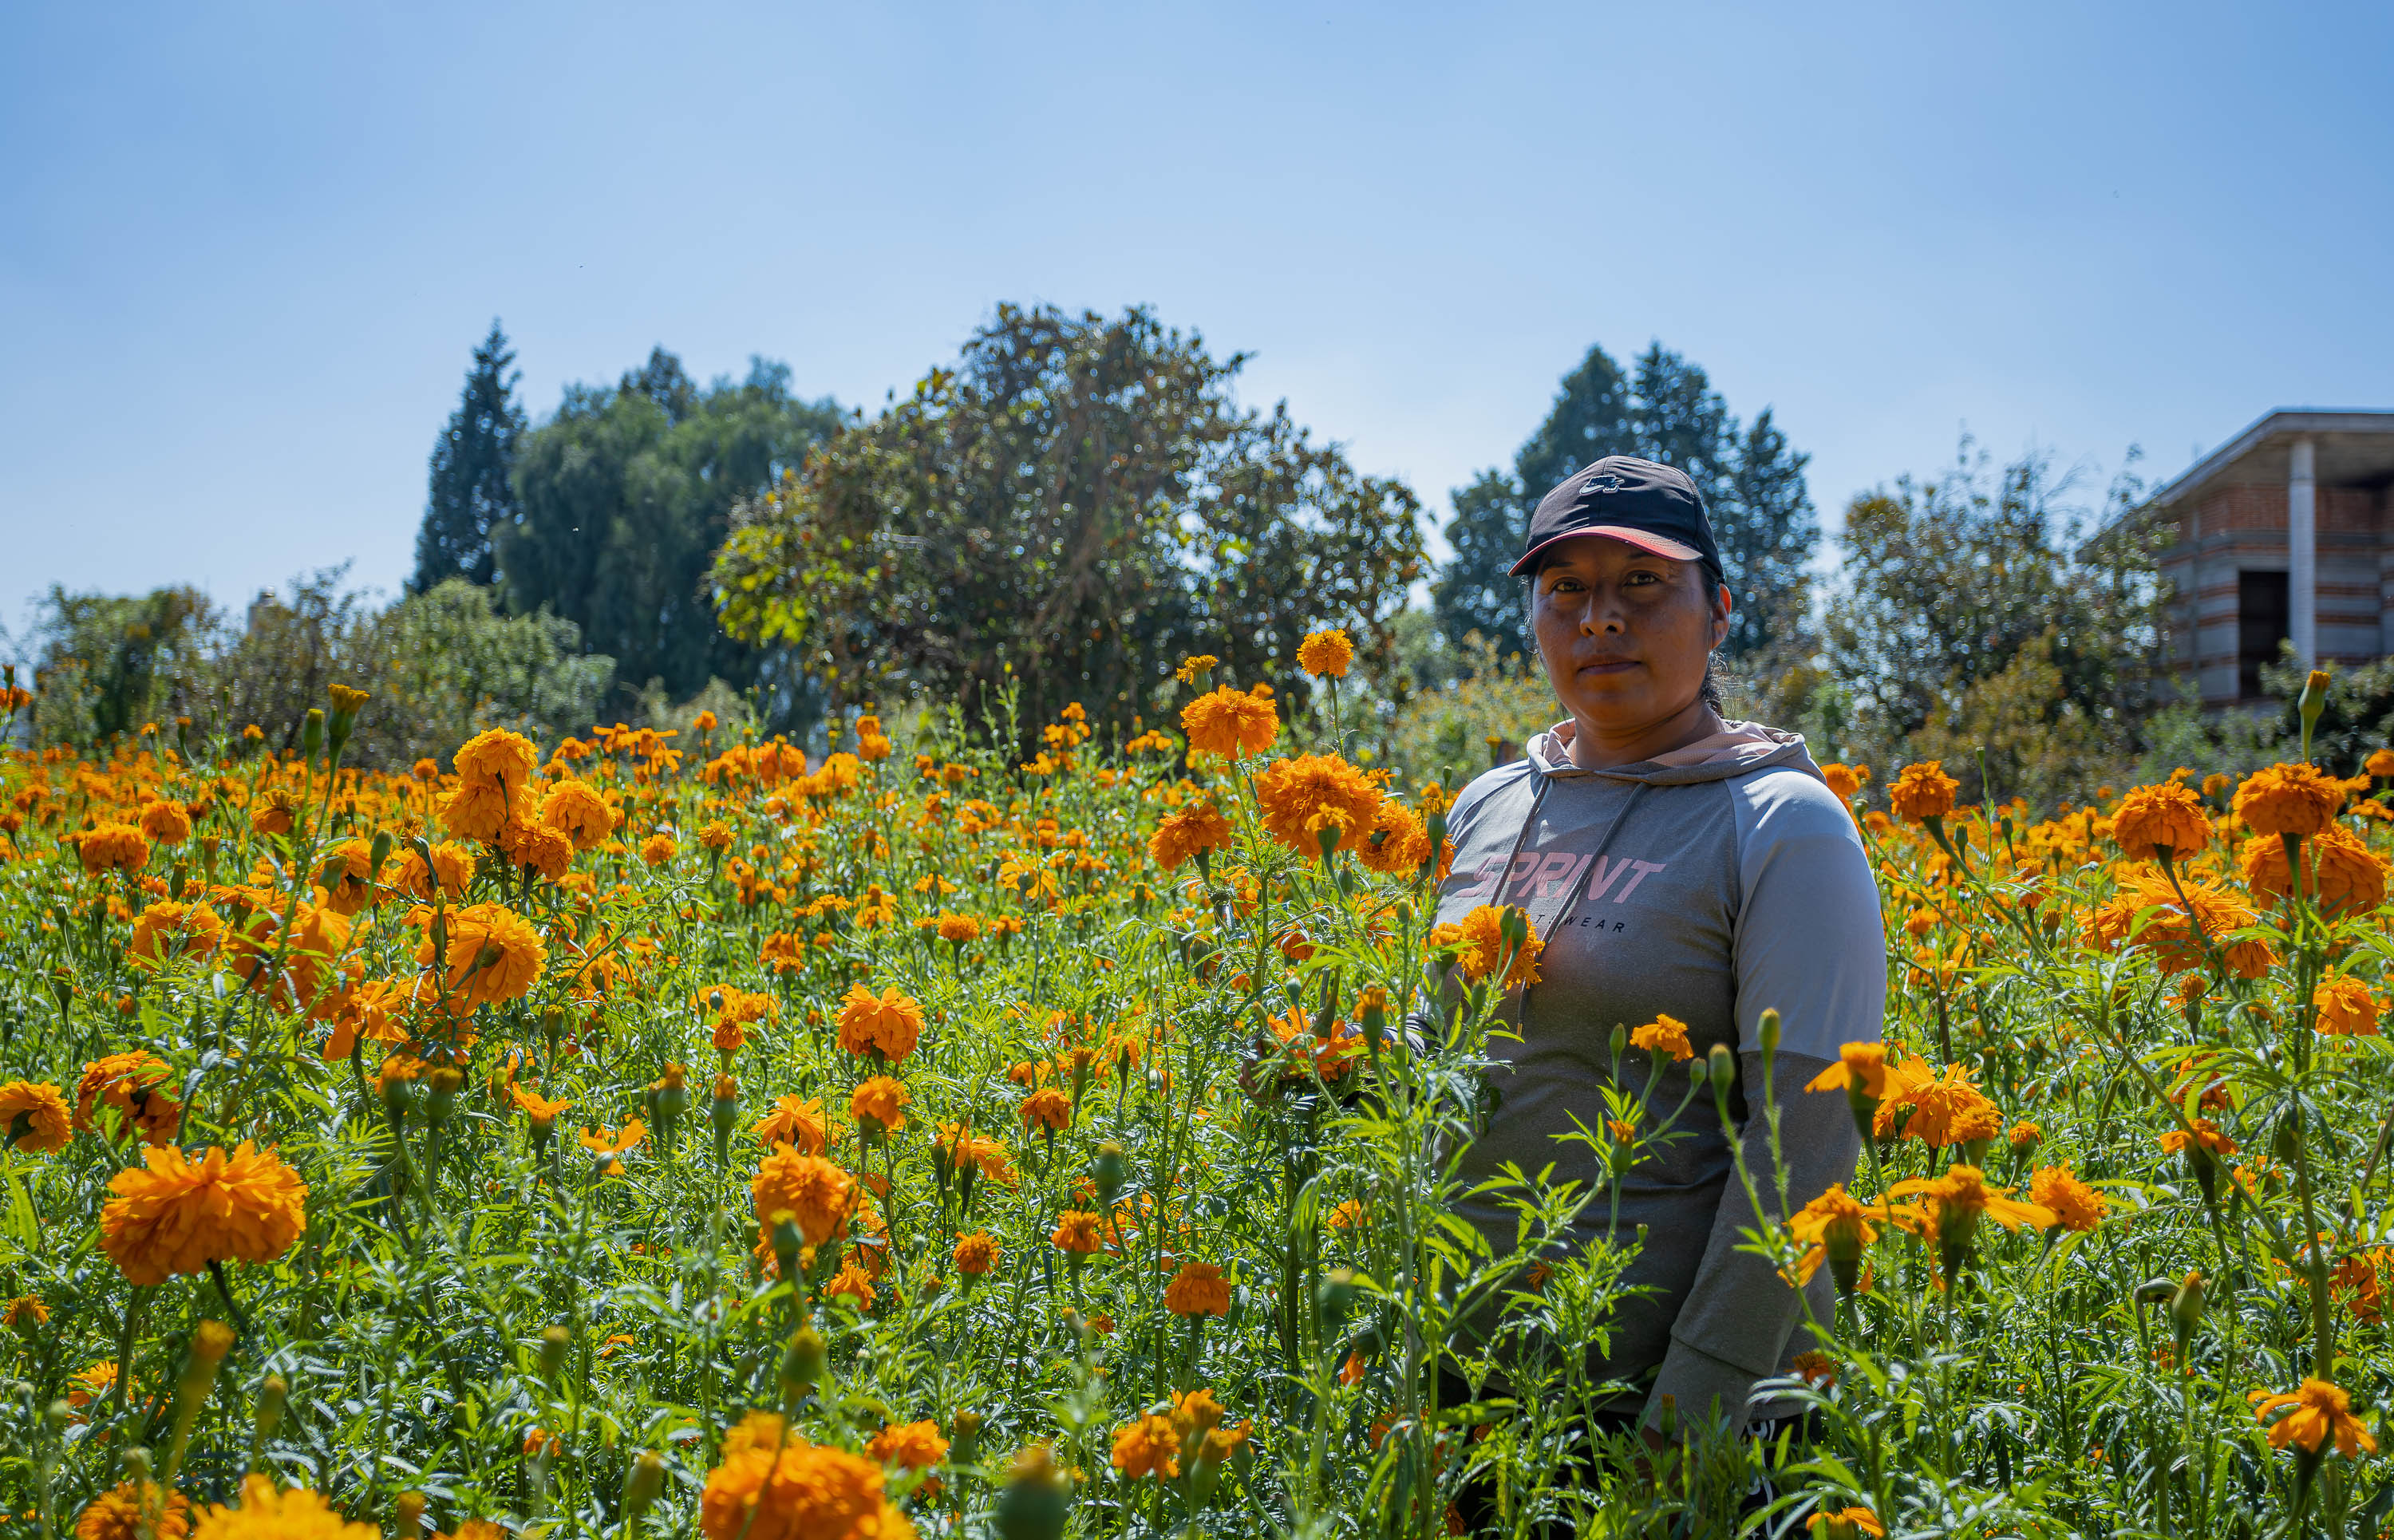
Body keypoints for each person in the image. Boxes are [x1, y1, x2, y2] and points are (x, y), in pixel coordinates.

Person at [1430, 456, 1886, 1523]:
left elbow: (1803, 1156)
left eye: (1643, 584)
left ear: (1719, 612)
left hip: (1673, 1413)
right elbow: (1442, 1071)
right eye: (1567, 590)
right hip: (1485, 1391)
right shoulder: (1489, 806)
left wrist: (1684, 1435)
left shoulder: (1785, 824)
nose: (1601, 619)